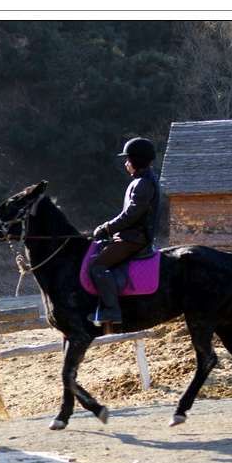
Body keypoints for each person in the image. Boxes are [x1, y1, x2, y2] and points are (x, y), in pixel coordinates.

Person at [88, 137, 161, 325]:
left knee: (97, 265)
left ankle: (112, 311)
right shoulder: (141, 181)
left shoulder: (143, 183)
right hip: (130, 236)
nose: (126, 164)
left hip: (134, 239)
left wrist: (107, 228)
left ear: (136, 160)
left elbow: (131, 215)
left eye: (128, 160)